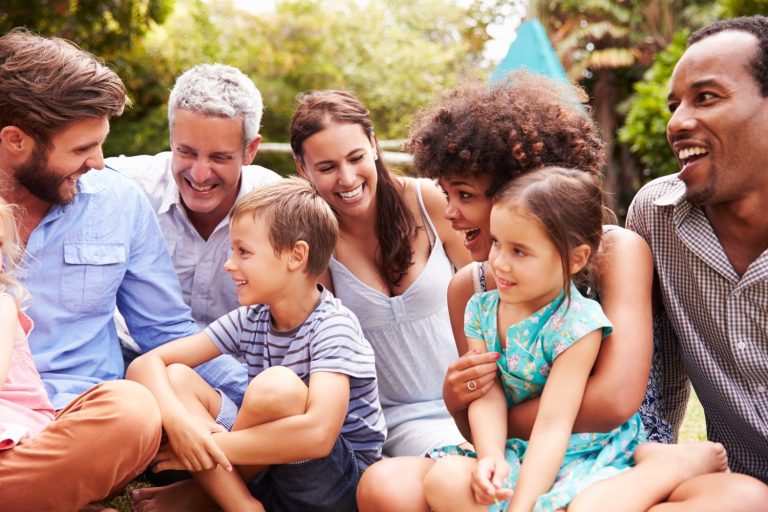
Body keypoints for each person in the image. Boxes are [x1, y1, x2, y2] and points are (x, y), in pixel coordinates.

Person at [358, 71, 768, 511]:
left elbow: (613, 400)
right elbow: (483, 413)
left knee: (742, 498)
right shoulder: (470, 289)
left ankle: (668, 467)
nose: (450, 213)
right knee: (386, 485)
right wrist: (459, 402)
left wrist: (494, 416)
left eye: (464, 195)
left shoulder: (613, 254)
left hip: (617, 457)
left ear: (521, 194)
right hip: (517, 454)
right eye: (445, 193)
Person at [423, 166, 732, 512]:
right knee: (443, 480)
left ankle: (662, 467)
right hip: (516, 445)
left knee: (589, 508)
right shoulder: (480, 309)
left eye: (519, 251)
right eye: (497, 243)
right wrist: (491, 457)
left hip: (584, 447)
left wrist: (521, 506)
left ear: (576, 258)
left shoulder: (577, 324)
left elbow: (555, 423)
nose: (500, 263)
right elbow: (486, 391)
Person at [127, 178, 386, 512]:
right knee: (177, 377)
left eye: (243, 251)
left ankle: (205, 495)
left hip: (332, 483)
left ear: (296, 255)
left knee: (276, 388)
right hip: (266, 470)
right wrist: (182, 426)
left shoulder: (334, 326)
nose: (229, 263)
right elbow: (146, 365)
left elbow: (318, 435)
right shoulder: (251, 318)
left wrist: (207, 446)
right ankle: (242, 506)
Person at [0, 29, 168, 511]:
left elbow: (166, 331)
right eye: (80, 150)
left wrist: (239, 412)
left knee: (134, 411)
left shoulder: (118, 202)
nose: (98, 163)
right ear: (15, 140)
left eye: (100, 145)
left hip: (80, 420)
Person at [290, 90, 472, 457]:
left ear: (373, 145)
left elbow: (491, 294)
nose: (346, 179)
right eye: (326, 168)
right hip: (397, 421)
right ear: (303, 168)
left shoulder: (429, 201)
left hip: (474, 397)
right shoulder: (316, 243)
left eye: (356, 158)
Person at [626, 15, 768, 488]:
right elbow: (654, 386)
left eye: (706, 97)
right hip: (734, 490)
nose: (677, 122)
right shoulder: (655, 215)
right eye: (675, 105)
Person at [107, 63, 281, 405]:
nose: (200, 174)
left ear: (250, 150)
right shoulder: (123, 188)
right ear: (172, 139)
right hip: (133, 365)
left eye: (219, 157)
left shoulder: (278, 210)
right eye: (185, 152)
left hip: (235, 380)